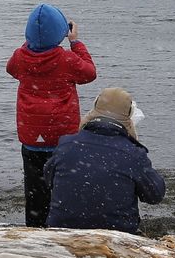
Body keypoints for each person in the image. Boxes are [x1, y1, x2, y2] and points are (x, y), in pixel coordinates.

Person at [6, 3, 97, 226]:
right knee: (63, 188)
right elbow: (90, 73)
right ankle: (61, 230)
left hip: (31, 140)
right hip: (62, 138)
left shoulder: (20, 57)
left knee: (35, 191)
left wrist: (32, 43)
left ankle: (34, 229)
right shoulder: (66, 59)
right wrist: (75, 42)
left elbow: (11, 69)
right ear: (61, 32)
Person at [45, 87, 165, 234]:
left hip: (62, 230)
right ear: (129, 118)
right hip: (117, 234)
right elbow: (155, 195)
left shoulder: (66, 144)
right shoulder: (133, 154)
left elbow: (48, 179)